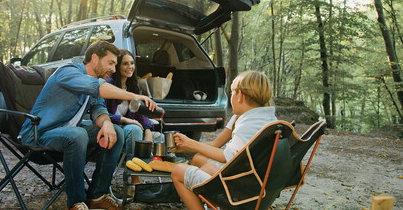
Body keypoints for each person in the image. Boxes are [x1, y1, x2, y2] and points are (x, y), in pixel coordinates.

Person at [19, 41, 157, 210]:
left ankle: (98, 194)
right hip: (39, 133)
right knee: (78, 135)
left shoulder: (97, 80)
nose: (114, 69)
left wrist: (106, 123)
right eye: (111, 63)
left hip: (68, 134)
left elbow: (98, 109)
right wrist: (135, 96)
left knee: (117, 132)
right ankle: (76, 202)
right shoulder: (68, 71)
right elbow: (96, 88)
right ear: (94, 58)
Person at [170, 70, 277, 210]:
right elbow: (223, 150)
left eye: (232, 93)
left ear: (240, 96)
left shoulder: (248, 125)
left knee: (178, 171)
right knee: (200, 161)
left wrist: (190, 143)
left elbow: (226, 156)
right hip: (257, 183)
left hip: (239, 189)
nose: (230, 97)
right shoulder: (268, 119)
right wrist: (187, 146)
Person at [106, 49, 164, 184]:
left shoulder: (134, 86)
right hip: (114, 127)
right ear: (117, 66)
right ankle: (135, 177)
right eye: (125, 64)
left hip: (132, 126)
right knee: (134, 129)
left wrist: (148, 131)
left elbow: (141, 113)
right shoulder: (108, 85)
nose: (130, 67)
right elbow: (102, 114)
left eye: (132, 63)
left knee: (159, 137)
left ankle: (165, 180)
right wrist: (127, 120)